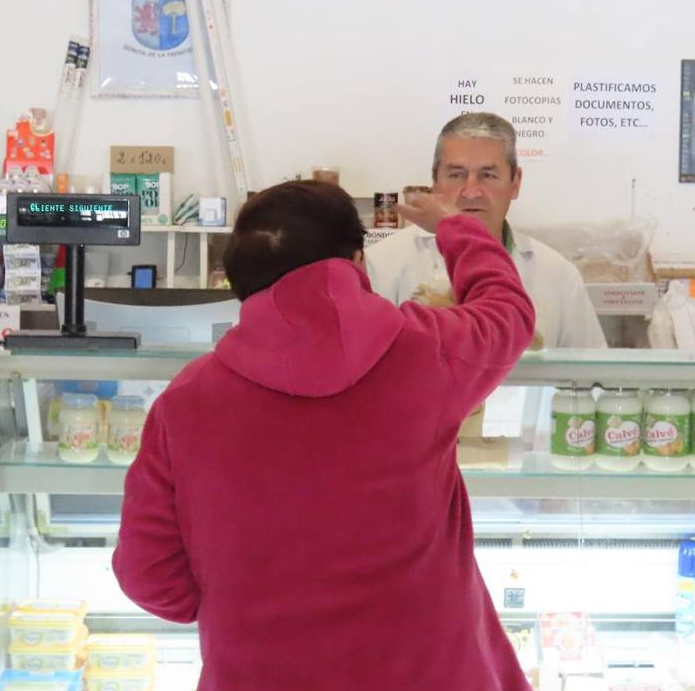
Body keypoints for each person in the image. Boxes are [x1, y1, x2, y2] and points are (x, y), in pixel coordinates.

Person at [113, 179, 535, 691]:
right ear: (358, 262)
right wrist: (455, 227)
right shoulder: (426, 352)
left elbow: (147, 573)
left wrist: (234, 607)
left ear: (239, 284)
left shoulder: (186, 402)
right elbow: (508, 310)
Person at [367, 111, 607, 349]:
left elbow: (592, 379)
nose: (471, 191)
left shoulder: (558, 275)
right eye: (456, 175)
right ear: (435, 181)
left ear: (516, 182)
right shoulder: (382, 265)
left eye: (488, 175)